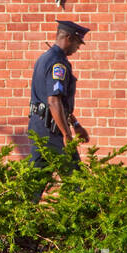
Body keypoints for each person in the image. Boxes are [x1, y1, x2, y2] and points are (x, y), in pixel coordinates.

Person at [27, 20, 90, 168]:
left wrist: (75, 124)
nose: (77, 48)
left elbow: (61, 103)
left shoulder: (45, 58)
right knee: (76, 180)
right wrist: (66, 135)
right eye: (77, 43)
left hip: (39, 126)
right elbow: (54, 101)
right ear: (68, 38)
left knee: (33, 182)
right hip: (52, 129)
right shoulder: (57, 63)